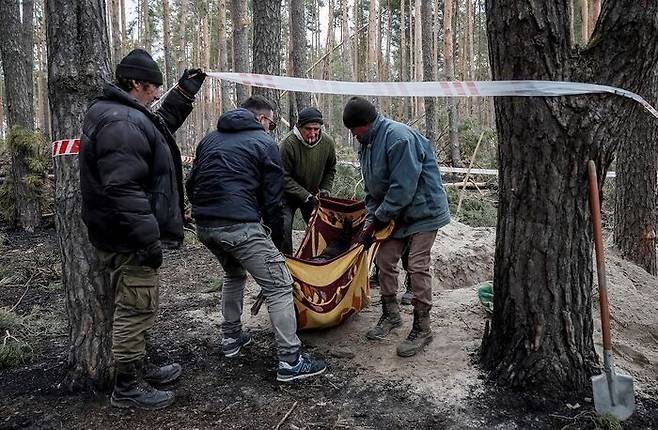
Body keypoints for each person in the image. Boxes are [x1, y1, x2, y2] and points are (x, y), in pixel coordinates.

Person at [80, 48, 206, 409]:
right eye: (153, 87)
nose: (155, 93)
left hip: (121, 233)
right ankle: (128, 386)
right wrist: (148, 238)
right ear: (135, 83)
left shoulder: (124, 114)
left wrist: (183, 94)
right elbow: (123, 189)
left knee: (138, 305)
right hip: (128, 237)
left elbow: (158, 125)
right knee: (136, 307)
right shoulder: (120, 122)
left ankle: (140, 364)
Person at [185, 95, 327, 382]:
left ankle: (231, 337)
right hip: (240, 225)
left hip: (205, 225)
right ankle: (290, 360)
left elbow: (191, 182)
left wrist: (203, 213)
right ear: (261, 118)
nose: (270, 128)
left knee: (234, 273)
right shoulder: (264, 143)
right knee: (279, 285)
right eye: (271, 123)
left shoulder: (209, 139)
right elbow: (273, 199)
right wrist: (274, 238)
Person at [343, 96, 450, 357]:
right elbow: (371, 186)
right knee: (385, 260)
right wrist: (371, 217)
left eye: (353, 129)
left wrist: (380, 216)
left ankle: (422, 327)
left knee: (416, 265)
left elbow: (403, 188)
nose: (352, 135)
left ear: (364, 124)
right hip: (396, 214)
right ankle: (391, 315)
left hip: (423, 212)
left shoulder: (398, 138)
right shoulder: (366, 143)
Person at [279, 107, 337, 254]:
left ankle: (319, 260)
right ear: (299, 127)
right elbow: (283, 177)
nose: (312, 133)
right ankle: (286, 263)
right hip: (286, 196)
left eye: (316, 129)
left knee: (322, 227)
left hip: (313, 193)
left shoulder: (327, 143)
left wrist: (325, 190)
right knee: (283, 228)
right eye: (308, 129)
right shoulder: (288, 144)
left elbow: (331, 169)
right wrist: (305, 196)